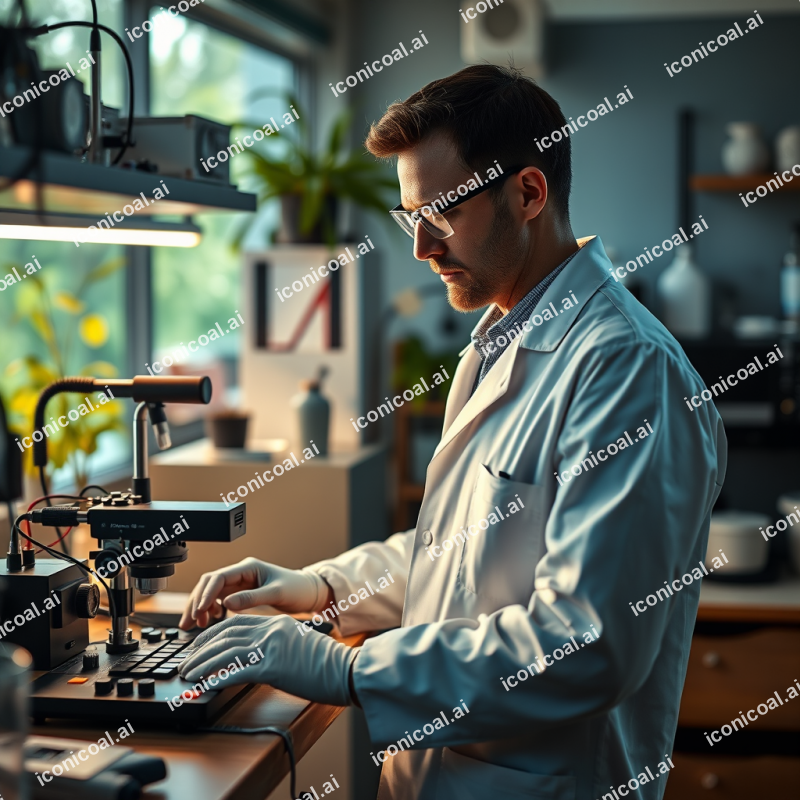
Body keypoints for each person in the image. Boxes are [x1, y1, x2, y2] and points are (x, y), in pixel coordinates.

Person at [178, 65, 726, 800]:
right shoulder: (502, 335)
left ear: (528, 193)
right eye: (411, 217)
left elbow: (588, 642)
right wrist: (320, 590)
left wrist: (346, 669)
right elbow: (461, 555)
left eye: (442, 214)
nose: (421, 247)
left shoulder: (626, 370)